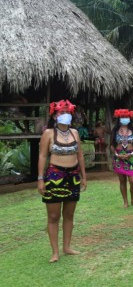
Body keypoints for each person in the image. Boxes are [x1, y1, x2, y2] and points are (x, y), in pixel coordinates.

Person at [37, 100, 87, 263]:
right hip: (54, 176)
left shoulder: (75, 133)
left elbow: (80, 155)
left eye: (67, 112)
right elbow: (43, 156)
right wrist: (40, 179)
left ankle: (67, 247)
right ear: (54, 115)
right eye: (60, 112)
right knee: (53, 215)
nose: (64, 115)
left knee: (69, 214)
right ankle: (55, 252)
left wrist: (83, 176)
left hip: (73, 175)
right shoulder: (48, 134)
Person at [110, 109, 133, 207]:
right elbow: (111, 145)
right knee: (122, 180)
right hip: (119, 157)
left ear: (130, 118)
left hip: (132, 157)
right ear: (119, 118)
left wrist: (132, 153)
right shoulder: (115, 130)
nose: (124, 119)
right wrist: (116, 154)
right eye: (122, 117)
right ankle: (125, 202)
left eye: (126, 117)